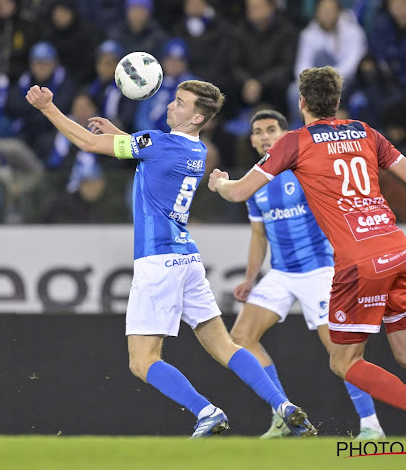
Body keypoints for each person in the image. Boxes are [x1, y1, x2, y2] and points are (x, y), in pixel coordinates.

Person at [208, 66, 406, 440]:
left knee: (343, 361)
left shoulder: (295, 142)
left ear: (302, 102)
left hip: (360, 262)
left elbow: (242, 191)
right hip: (399, 250)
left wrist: (221, 183)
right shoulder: (365, 132)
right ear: (338, 103)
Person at [26, 80, 317, 437]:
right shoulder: (194, 150)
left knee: (142, 360)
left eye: (179, 103)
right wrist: (119, 133)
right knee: (225, 345)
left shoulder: (159, 142)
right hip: (187, 259)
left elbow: (87, 143)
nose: (169, 106)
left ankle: (206, 411)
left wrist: (47, 108)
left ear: (196, 116)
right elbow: (151, 155)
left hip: (158, 262)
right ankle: (282, 405)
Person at [229, 109, 384, 440]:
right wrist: (250, 278)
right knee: (240, 338)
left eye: (272, 129)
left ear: (286, 135)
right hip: (281, 272)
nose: (265, 136)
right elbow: (259, 236)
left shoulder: (307, 168)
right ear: (253, 140)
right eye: (258, 131)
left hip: (319, 270)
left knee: (340, 352)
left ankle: (371, 425)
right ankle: (284, 415)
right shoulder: (254, 182)